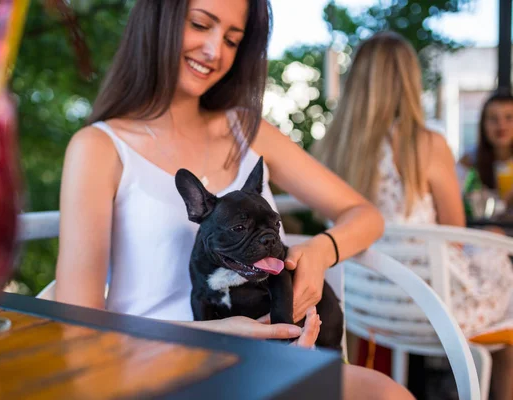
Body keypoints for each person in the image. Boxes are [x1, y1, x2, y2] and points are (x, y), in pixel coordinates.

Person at [55, 1, 413, 398]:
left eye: (232, 39)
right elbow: (76, 325)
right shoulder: (100, 147)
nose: (214, 51)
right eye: (199, 24)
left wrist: (318, 252)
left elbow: (365, 216)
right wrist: (212, 333)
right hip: (153, 367)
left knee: (387, 393)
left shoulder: (248, 130)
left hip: (277, 360)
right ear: (158, 20)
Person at [314, 31, 513, 400]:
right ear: (408, 81)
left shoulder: (332, 147)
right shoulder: (428, 143)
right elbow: (456, 232)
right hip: (430, 306)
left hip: (365, 306)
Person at [459, 91, 513, 204]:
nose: (501, 125)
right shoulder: (469, 161)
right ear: (483, 124)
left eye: (509, 118)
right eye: (493, 118)